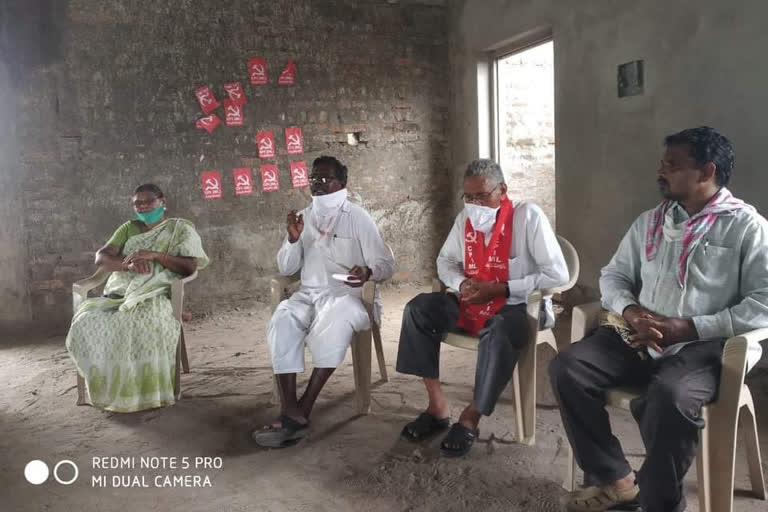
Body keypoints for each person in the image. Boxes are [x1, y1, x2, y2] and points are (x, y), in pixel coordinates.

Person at [550, 127, 768, 512]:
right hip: (638, 335)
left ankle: (659, 503)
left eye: (672, 164)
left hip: (704, 346)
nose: (660, 170)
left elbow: (764, 300)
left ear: (706, 172)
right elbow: (614, 276)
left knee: (669, 397)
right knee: (568, 367)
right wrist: (632, 312)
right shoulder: (651, 222)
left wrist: (689, 327)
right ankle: (618, 481)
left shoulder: (746, 227)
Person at [395, 158, 568, 457]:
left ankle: (471, 416)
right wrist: (462, 284)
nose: (475, 204)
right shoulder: (465, 219)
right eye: (469, 197)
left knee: (499, 331)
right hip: (471, 300)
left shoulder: (528, 217)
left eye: (482, 196)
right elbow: (445, 261)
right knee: (417, 309)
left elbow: (558, 274)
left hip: (517, 306)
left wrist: (503, 288)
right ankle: (437, 407)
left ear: (502, 189)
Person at [252, 156, 395, 448]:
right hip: (309, 294)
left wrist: (367, 271)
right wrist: (293, 240)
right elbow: (286, 269)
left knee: (335, 321)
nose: (318, 184)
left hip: (349, 296)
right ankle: (291, 409)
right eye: (313, 179)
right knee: (282, 318)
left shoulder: (357, 217)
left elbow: (385, 264)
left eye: (326, 179)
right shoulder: (302, 217)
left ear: (342, 183)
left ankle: (302, 407)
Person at [66, 183, 209, 412]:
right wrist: (128, 265)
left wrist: (155, 255)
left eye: (148, 201)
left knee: (138, 322)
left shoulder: (179, 230)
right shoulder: (128, 228)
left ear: (162, 202)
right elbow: (101, 257)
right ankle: (108, 387)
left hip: (158, 291)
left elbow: (189, 267)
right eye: (137, 203)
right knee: (85, 321)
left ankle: (144, 391)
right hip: (120, 291)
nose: (143, 206)